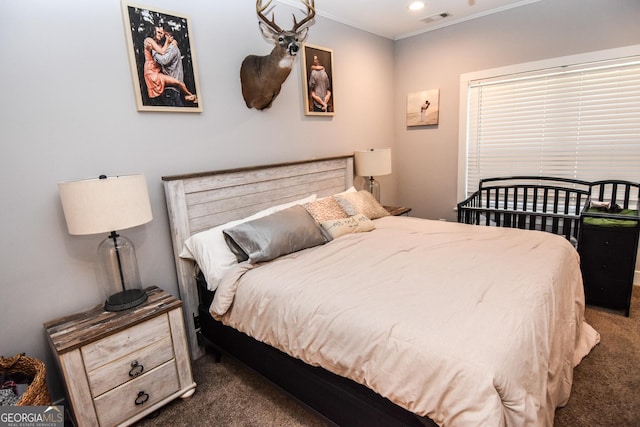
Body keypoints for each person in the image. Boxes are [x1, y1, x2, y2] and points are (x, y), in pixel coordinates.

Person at [143, 27, 197, 106]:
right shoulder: (149, 41)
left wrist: (170, 43)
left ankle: (189, 95)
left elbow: (163, 51)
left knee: (178, 83)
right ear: (153, 32)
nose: (161, 35)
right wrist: (169, 43)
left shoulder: (159, 45)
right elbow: (162, 54)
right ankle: (190, 95)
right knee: (178, 83)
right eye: (158, 32)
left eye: (162, 33)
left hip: (156, 72)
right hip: (151, 72)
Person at [151, 28, 185, 107]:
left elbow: (164, 60)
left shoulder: (172, 48)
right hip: (171, 90)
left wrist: (154, 52)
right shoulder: (167, 48)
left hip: (171, 90)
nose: (161, 35)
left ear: (168, 36)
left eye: (163, 34)